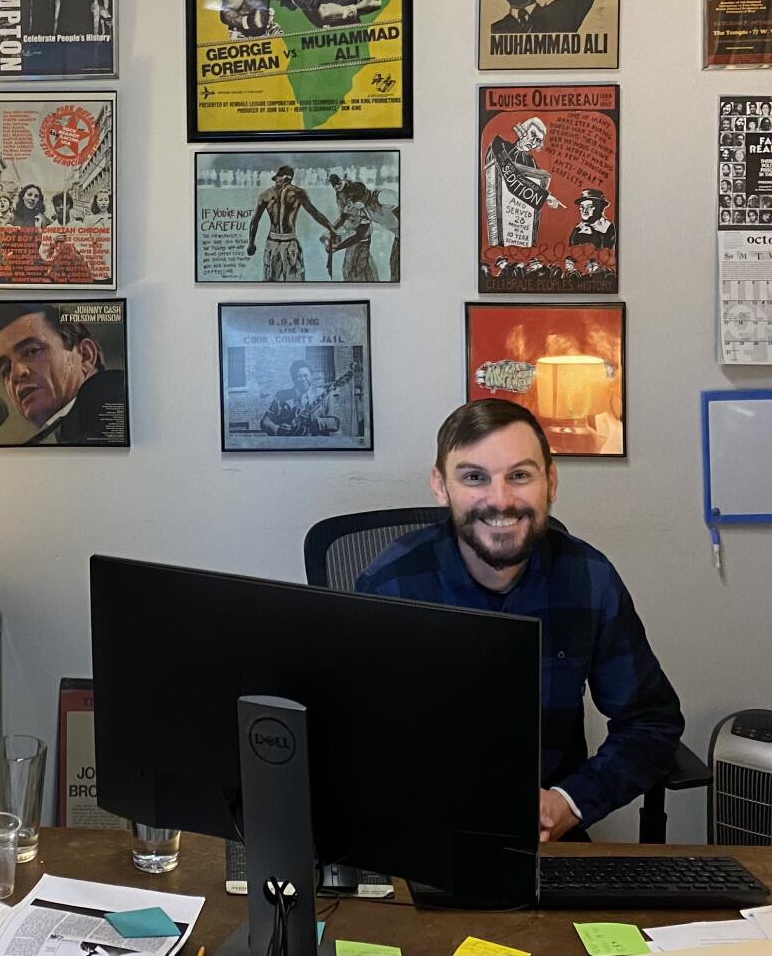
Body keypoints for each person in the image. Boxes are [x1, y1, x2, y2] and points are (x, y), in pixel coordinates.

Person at [356, 400, 683, 840]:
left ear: (550, 481)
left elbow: (650, 722)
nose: (500, 500)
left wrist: (571, 801)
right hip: (415, 837)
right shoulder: (390, 584)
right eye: (474, 477)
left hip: (545, 838)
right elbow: (352, 736)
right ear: (440, 486)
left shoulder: (588, 578)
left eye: (519, 475)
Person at [0, 303, 126, 445]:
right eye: (6, 369)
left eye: (31, 351)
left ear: (85, 356)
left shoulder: (117, 404)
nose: (16, 374)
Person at [246, 165, 334, 281]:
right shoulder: (292, 193)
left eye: (278, 179)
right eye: (276, 180)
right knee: (280, 281)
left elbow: (315, 214)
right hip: (282, 242)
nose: (277, 182)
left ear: (285, 178)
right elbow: (255, 220)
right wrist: (251, 243)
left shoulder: (275, 194)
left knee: (284, 281)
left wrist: (251, 243)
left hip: (281, 242)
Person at [260, 359, 341, 437]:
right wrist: (277, 429)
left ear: (312, 376)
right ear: (293, 379)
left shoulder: (325, 395)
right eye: (298, 376)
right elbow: (265, 421)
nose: (302, 379)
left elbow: (336, 423)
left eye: (305, 375)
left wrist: (313, 421)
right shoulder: (281, 396)